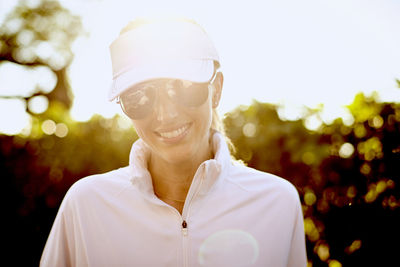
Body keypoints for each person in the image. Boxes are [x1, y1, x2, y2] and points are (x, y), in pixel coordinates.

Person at [40, 17, 307, 267]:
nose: (165, 114)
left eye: (183, 88)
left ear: (216, 89)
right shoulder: (86, 205)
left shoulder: (277, 203)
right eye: (139, 97)